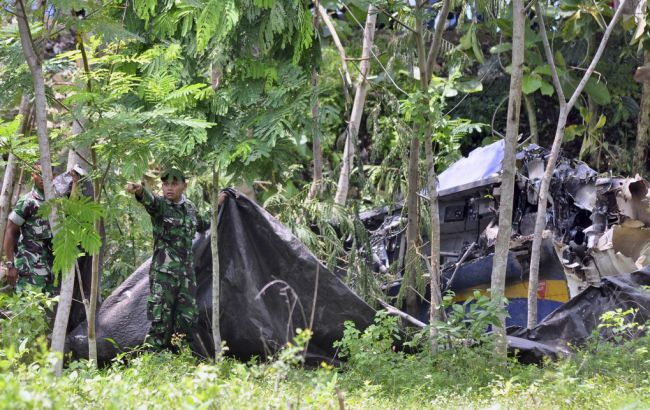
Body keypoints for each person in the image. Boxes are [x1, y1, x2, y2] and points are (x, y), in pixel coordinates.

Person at [127, 168, 214, 350]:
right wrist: (140, 191)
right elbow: (149, 201)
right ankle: (154, 362)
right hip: (163, 275)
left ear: (184, 186)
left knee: (186, 318)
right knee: (161, 321)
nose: (169, 188)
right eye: (165, 184)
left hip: (186, 276)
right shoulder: (161, 206)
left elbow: (204, 223)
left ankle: (179, 360)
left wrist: (219, 204)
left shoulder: (190, 208)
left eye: (174, 184)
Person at [3, 163, 63, 293]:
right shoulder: (28, 201)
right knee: (29, 310)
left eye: (46, 175)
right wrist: (10, 265)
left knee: (48, 310)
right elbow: (10, 231)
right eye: (38, 174)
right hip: (29, 270)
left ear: (53, 177)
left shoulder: (58, 202)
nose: (42, 178)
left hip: (51, 270)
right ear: (33, 176)